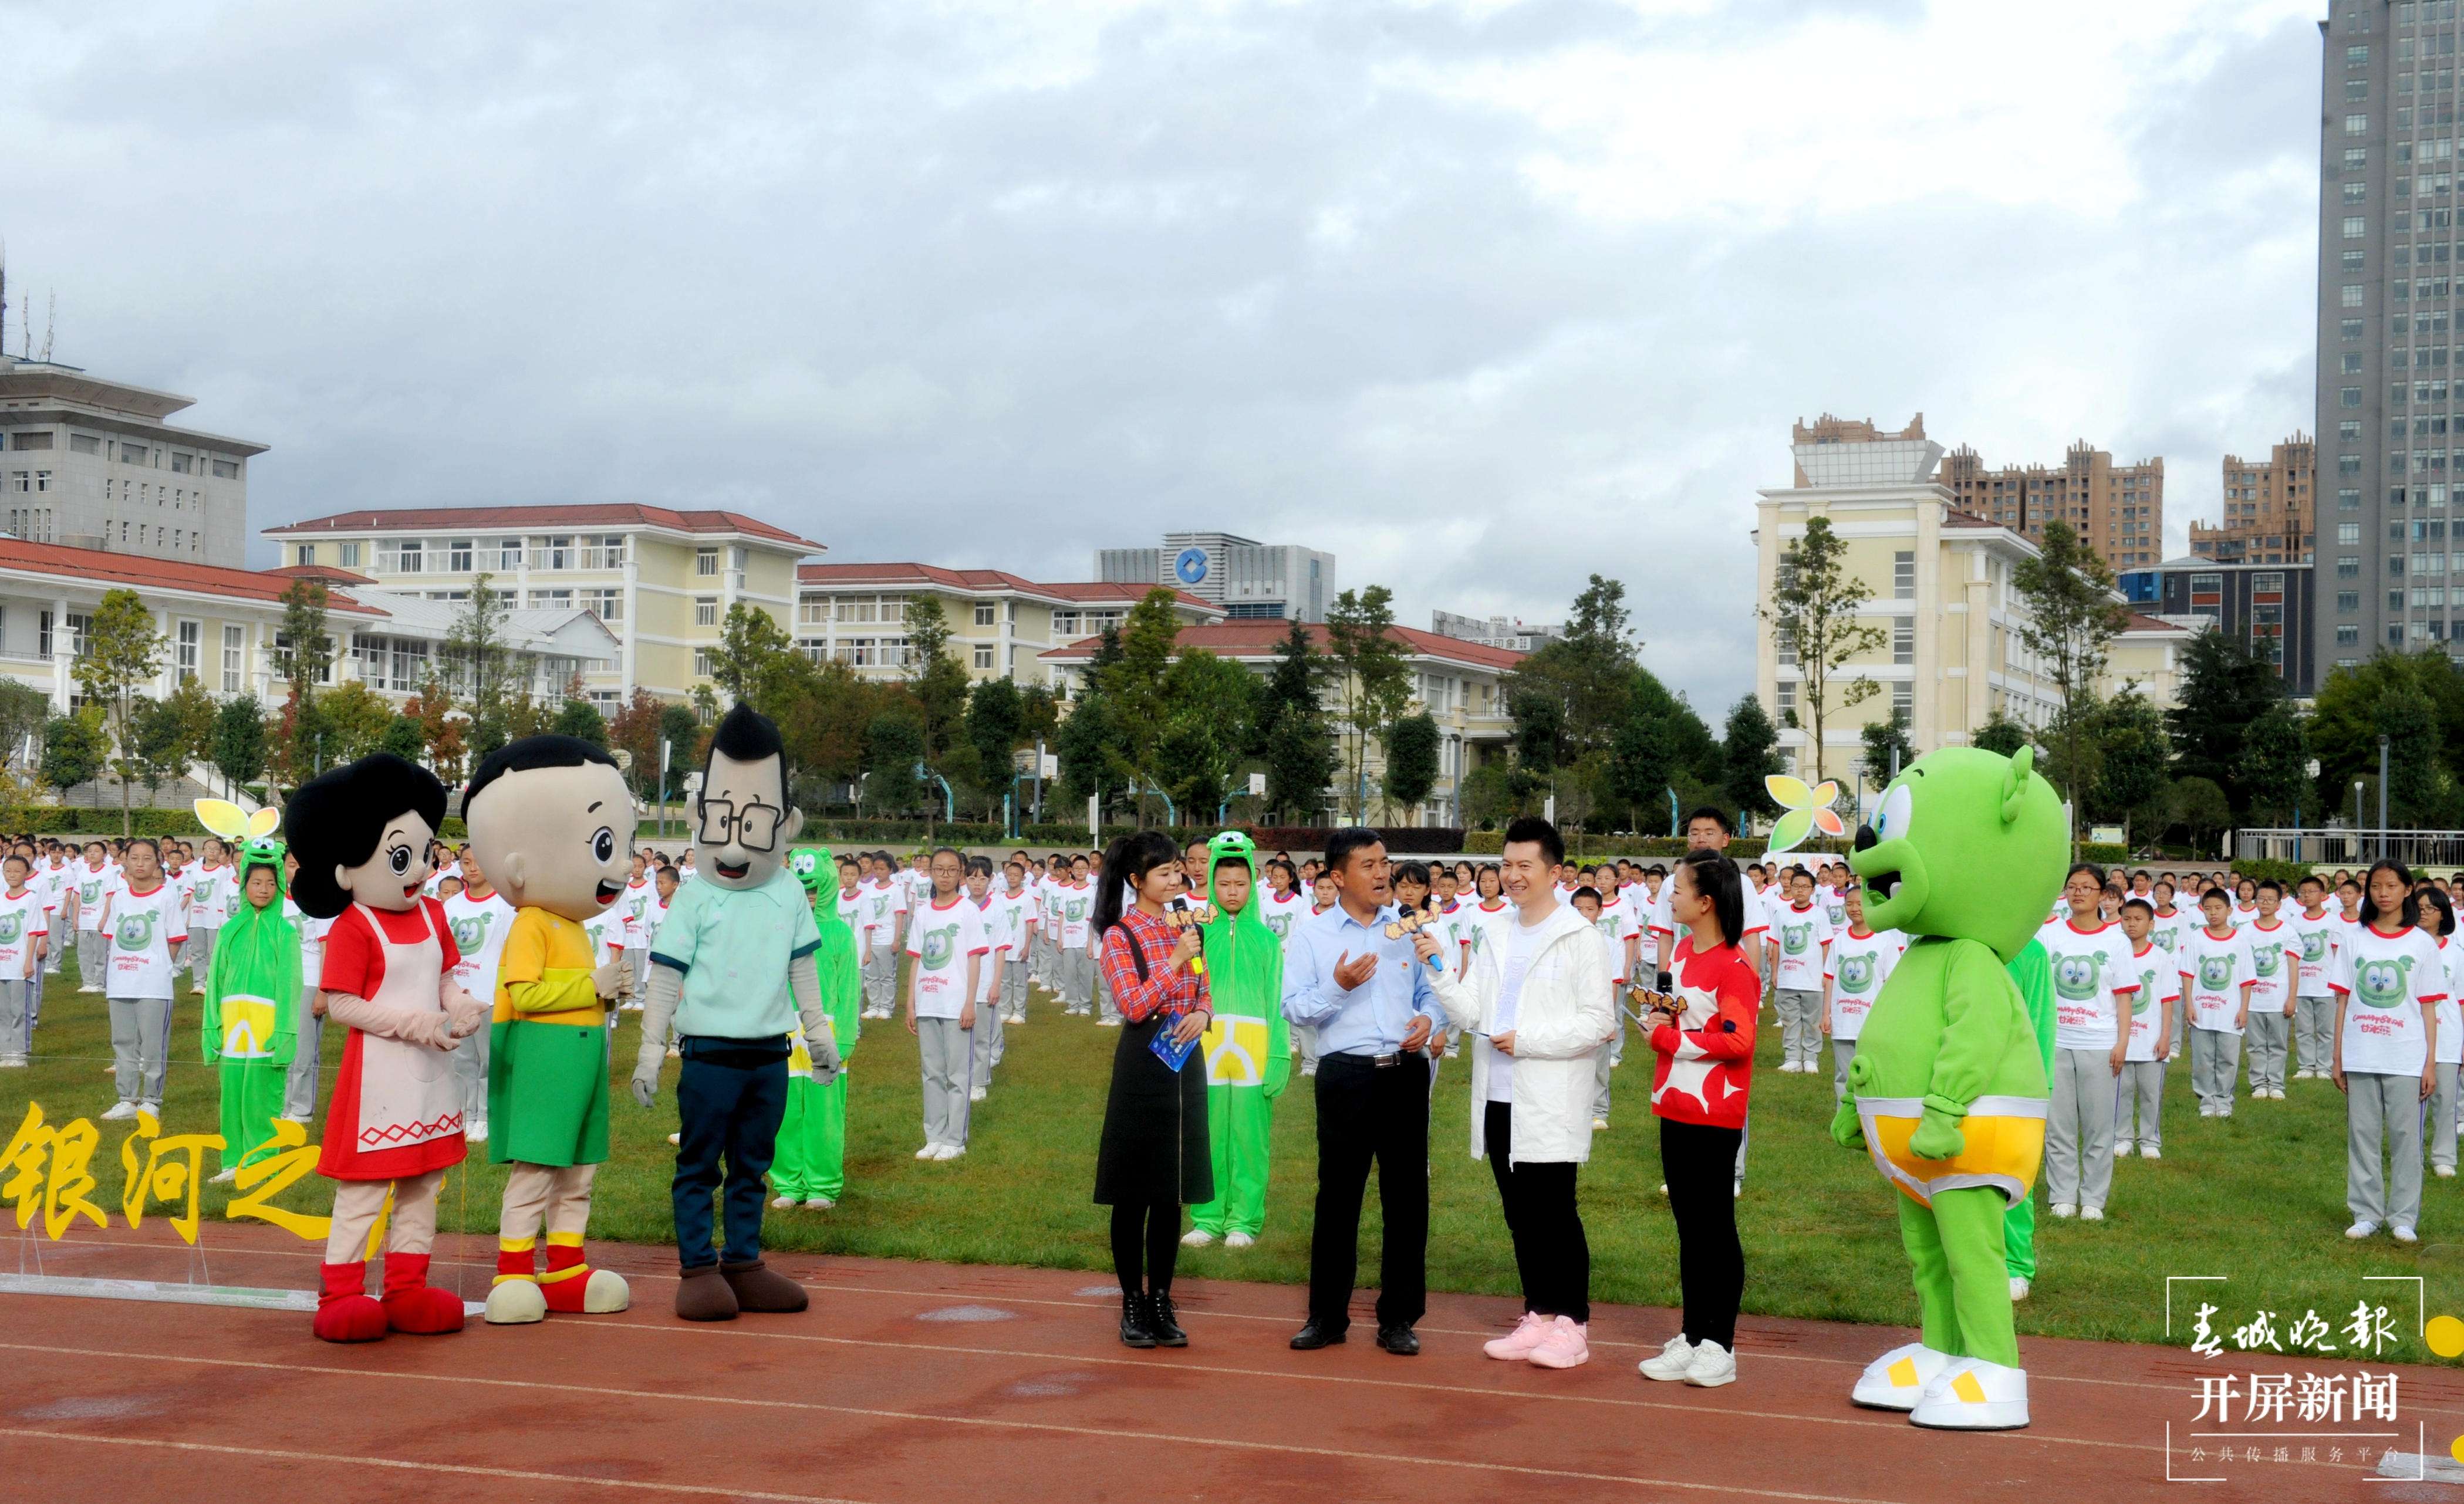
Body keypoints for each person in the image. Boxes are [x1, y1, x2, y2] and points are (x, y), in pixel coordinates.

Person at [631, 704, 840, 1320]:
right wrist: (650, 1050)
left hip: (768, 1054)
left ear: (785, 824)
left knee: (753, 1165)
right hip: (709, 1056)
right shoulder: (695, 896)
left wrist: (818, 1031)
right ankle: (698, 1267)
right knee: (699, 1164)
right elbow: (665, 975)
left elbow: (801, 968)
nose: (733, 845)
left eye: (753, 825)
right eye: (722, 823)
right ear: (701, 818)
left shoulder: (787, 893)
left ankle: (743, 1261)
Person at [286, 753, 489, 1343]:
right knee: (365, 1190)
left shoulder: (433, 912)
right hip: (378, 1078)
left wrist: (459, 1005)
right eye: (403, 857)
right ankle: (341, 1295)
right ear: (348, 870)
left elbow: (444, 976)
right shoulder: (354, 926)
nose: (420, 870)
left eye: (425, 853)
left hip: (432, 1073)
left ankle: (406, 1288)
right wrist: (418, 1024)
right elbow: (342, 1004)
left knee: (423, 1184)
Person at [1423, 815, 1610, 1370]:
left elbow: (1598, 1021)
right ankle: (1539, 1313)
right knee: (1519, 1212)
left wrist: (1528, 1041)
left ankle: (1572, 1323)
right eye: (1506, 864)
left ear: (1554, 872)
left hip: (1549, 1095)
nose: (1512, 875)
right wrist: (1437, 968)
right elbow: (1472, 1011)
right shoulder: (1497, 931)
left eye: (1524, 865)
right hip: (1499, 1093)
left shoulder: (1580, 936)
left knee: (1555, 1210)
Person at [464, 735, 637, 1326]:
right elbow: (524, 994)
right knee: (536, 1169)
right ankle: (514, 1268)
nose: (622, 865)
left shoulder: (574, 926)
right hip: (543, 1062)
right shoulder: (532, 923)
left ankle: (565, 1268)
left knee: (578, 1172)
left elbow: (574, 993)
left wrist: (608, 990)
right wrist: (592, 986)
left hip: (582, 1063)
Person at [1282, 826, 1449, 1356]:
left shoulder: (1407, 926)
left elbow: (1431, 990)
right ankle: (1327, 1316)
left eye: (1385, 862)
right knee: (1338, 1197)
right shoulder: (1312, 934)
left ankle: (1399, 1317)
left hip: (1404, 1073)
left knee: (1407, 1199)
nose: (1383, 874)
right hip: (1345, 1076)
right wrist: (1339, 986)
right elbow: (1294, 1007)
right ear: (1337, 876)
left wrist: (1429, 1018)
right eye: (1369, 865)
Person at [1636, 849, 1757, 1389]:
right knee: (1689, 1226)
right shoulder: (1683, 951)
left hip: (1715, 1112)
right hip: (1676, 1103)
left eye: (1679, 888)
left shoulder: (1735, 966)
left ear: (1706, 902)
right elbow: (1689, 1016)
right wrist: (1660, 1015)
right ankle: (1691, 1334)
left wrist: (1669, 1038)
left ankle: (1719, 1345)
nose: (1671, 896)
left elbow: (1738, 1039)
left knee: (1714, 1227)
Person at [1091, 831, 1213, 1348]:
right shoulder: (1120, 936)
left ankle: (1162, 1299)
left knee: (1171, 1192)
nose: (1175, 879)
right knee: (1133, 1193)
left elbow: (1204, 988)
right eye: (1164, 872)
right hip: (1143, 1064)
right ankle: (1133, 1302)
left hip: (1185, 1059)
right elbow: (1134, 1005)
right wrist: (1174, 960)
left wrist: (1203, 1013)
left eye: (1177, 869)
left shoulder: (1188, 924)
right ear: (1136, 880)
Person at [2331, 860, 2446, 1242]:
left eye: (2392, 885)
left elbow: (2428, 1008)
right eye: (2377, 886)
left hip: (2406, 1056)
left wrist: (2430, 1063)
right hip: (2360, 1053)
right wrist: (2338, 1057)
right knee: (2362, 1135)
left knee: (2405, 1138)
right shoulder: (2354, 939)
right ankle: (2366, 1212)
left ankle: (2403, 1217)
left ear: (2408, 890)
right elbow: (2343, 1002)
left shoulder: (2422, 944)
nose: (2383, 893)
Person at [1184, 833, 1288, 1251]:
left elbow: (1278, 999)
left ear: (1253, 884)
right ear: (1211, 881)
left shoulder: (1266, 940)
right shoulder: (1199, 935)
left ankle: (1244, 1219)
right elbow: (1188, 990)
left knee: (1250, 1139)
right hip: (1207, 1048)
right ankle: (1207, 1218)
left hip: (1254, 1050)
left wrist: (1279, 1053)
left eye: (1240, 884)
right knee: (1207, 1135)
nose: (1232, 892)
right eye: (1224, 883)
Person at [191, 804, 293, 1182]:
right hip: (233, 1024)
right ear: (243, 884)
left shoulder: (285, 932)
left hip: (266, 1025)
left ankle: (261, 1161)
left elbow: (290, 985)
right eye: (256, 882)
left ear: (279, 886)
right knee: (232, 1093)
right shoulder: (229, 929)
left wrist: (285, 1031)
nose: (263, 889)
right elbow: (216, 981)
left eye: (270, 883)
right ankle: (232, 1159)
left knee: (260, 1095)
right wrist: (211, 1027)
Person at [2036, 864, 2136, 1222]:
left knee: (2098, 1126)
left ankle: (2094, 1197)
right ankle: (2062, 1195)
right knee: (2058, 1125)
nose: (2078, 892)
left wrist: (2122, 1043)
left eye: (2087, 887)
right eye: (2072, 886)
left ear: (2102, 895)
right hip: (2056, 1042)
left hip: (2100, 1043)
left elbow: (2124, 997)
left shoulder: (2116, 941)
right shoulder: (2049, 936)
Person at [772, 847, 862, 1211]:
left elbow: (850, 988)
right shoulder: (783, 930)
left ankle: (822, 1184)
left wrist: (845, 1036)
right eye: (803, 890)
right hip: (785, 1032)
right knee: (786, 1110)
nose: (809, 897)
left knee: (825, 1112)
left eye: (814, 890)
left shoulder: (840, 933)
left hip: (827, 1031)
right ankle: (788, 1182)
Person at [95, 839, 188, 1122]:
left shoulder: (166, 897)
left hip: (153, 984)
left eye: (147, 858)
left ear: (158, 861)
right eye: (134, 857)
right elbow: (113, 937)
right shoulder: (120, 897)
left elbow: (175, 939)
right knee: (123, 1041)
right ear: (126, 861)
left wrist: (160, 966)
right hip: (120, 981)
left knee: (152, 1045)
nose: (140, 864)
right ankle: (126, 1099)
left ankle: (151, 1100)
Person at [906, 847, 988, 1158]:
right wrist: (911, 1003)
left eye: (952, 870)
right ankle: (934, 1136)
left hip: (956, 1005)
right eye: (939, 869)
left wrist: (970, 1003)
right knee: (932, 1073)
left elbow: (975, 960)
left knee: (957, 1074)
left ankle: (955, 1140)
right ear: (930, 873)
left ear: (960, 874)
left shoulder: (968, 911)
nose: (945, 875)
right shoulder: (924, 912)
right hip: (928, 1002)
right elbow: (916, 959)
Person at [441, 849, 517, 1147]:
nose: (473, 868)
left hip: (489, 995)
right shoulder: (452, 905)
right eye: (466, 863)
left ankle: (485, 1116)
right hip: (456, 995)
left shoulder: (504, 905)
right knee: (461, 1059)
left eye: (478, 862)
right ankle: (464, 1114)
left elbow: (510, 950)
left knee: (488, 1060)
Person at [1820, 885, 1902, 1103]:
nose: (1854, 908)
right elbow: (1830, 978)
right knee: (1843, 1076)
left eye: (1860, 904)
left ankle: (1869, 1116)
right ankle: (1845, 1114)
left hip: (1872, 1022)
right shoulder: (1839, 941)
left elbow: (1891, 984)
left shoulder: (1885, 941)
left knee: (1872, 1074)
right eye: (1849, 904)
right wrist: (1826, 1014)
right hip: (1843, 1021)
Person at [2179, 888, 2256, 1118]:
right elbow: (2188, 973)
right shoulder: (2196, 938)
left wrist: (2244, 1009)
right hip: (2201, 1011)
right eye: (2208, 909)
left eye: (2218, 908)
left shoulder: (2240, 940)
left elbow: (2246, 979)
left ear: (2229, 910)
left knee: (2227, 1059)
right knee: (2202, 1059)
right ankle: (2206, 1101)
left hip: (2230, 1012)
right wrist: (2189, 1005)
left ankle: (2224, 1101)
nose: (2213, 913)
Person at [2115, 898, 2179, 1160]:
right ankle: (2122, 1138)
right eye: (2127, 919)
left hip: (2151, 1040)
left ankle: (2150, 1141)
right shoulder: (2116, 954)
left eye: (2138, 919)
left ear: (2151, 924)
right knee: (2121, 1092)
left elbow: (2167, 1001)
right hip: (2121, 1040)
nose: (2132, 924)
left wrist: (2165, 1037)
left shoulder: (2161, 957)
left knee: (2151, 1094)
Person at [2411, 885, 2461, 1180]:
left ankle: (2444, 1157)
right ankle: (2412, 1156)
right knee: (2413, 1101)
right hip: (2412, 1036)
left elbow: (2462, 1000)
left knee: (2445, 1101)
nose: (2423, 913)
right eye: (2419, 907)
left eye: (2430, 908)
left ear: (2443, 914)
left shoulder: (2456, 953)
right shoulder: (2407, 946)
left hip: (2448, 1037)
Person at [1771, 866, 1834, 1073]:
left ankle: (1811, 1059)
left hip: (1813, 980)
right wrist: (1775, 972)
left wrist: (1825, 974)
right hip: (1788, 979)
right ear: (1789, 886)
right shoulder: (1781, 914)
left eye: (1805, 887)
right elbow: (1776, 944)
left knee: (1812, 1022)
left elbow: (1826, 946)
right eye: (1796, 886)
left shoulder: (1819, 915)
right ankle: (1792, 1058)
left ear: (1812, 890)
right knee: (1790, 1021)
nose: (1800, 890)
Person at [2290, 875, 2343, 1081]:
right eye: (2303, 892)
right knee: (2303, 1030)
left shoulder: (2333, 921)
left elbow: (2337, 953)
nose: (2307, 895)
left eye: (2311, 891)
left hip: (2325, 985)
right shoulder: (2294, 922)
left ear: (2323, 895)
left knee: (2326, 1030)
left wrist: (2338, 982)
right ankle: (2306, 1066)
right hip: (2301, 986)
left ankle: (2324, 1067)